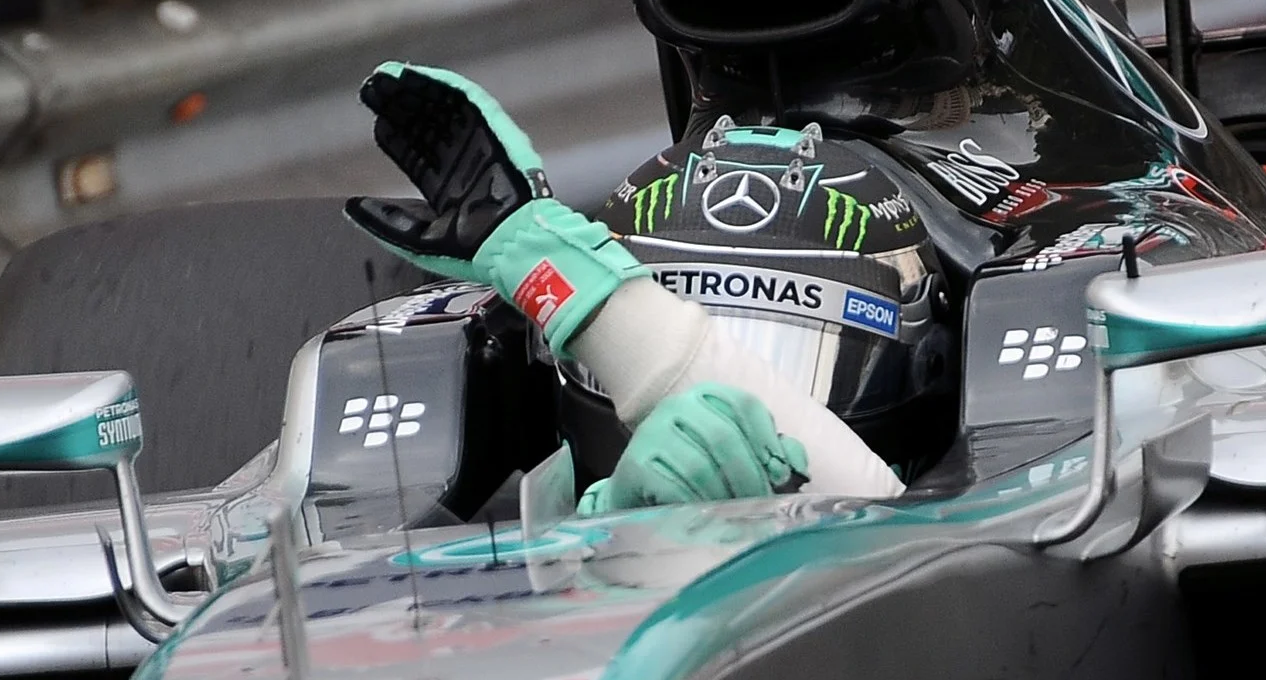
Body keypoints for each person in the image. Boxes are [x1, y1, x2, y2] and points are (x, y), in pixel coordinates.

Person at [345, 62, 957, 513]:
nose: (706, 422)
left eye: (781, 367)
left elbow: (886, 530)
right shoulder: (490, 549)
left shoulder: (962, 589)